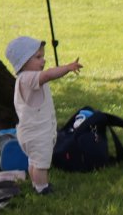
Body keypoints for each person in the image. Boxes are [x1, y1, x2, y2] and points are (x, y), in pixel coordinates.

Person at [6, 36, 82, 196]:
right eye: (38, 57)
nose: (43, 60)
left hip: (30, 132)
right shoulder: (28, 78)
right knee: (41, 163)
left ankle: (36, 183)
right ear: (23, 61)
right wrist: (67, 67)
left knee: (34, 161)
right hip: (37, 133)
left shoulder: (26, 78)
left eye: (43, 56)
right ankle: (42, 188)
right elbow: (48, 75)